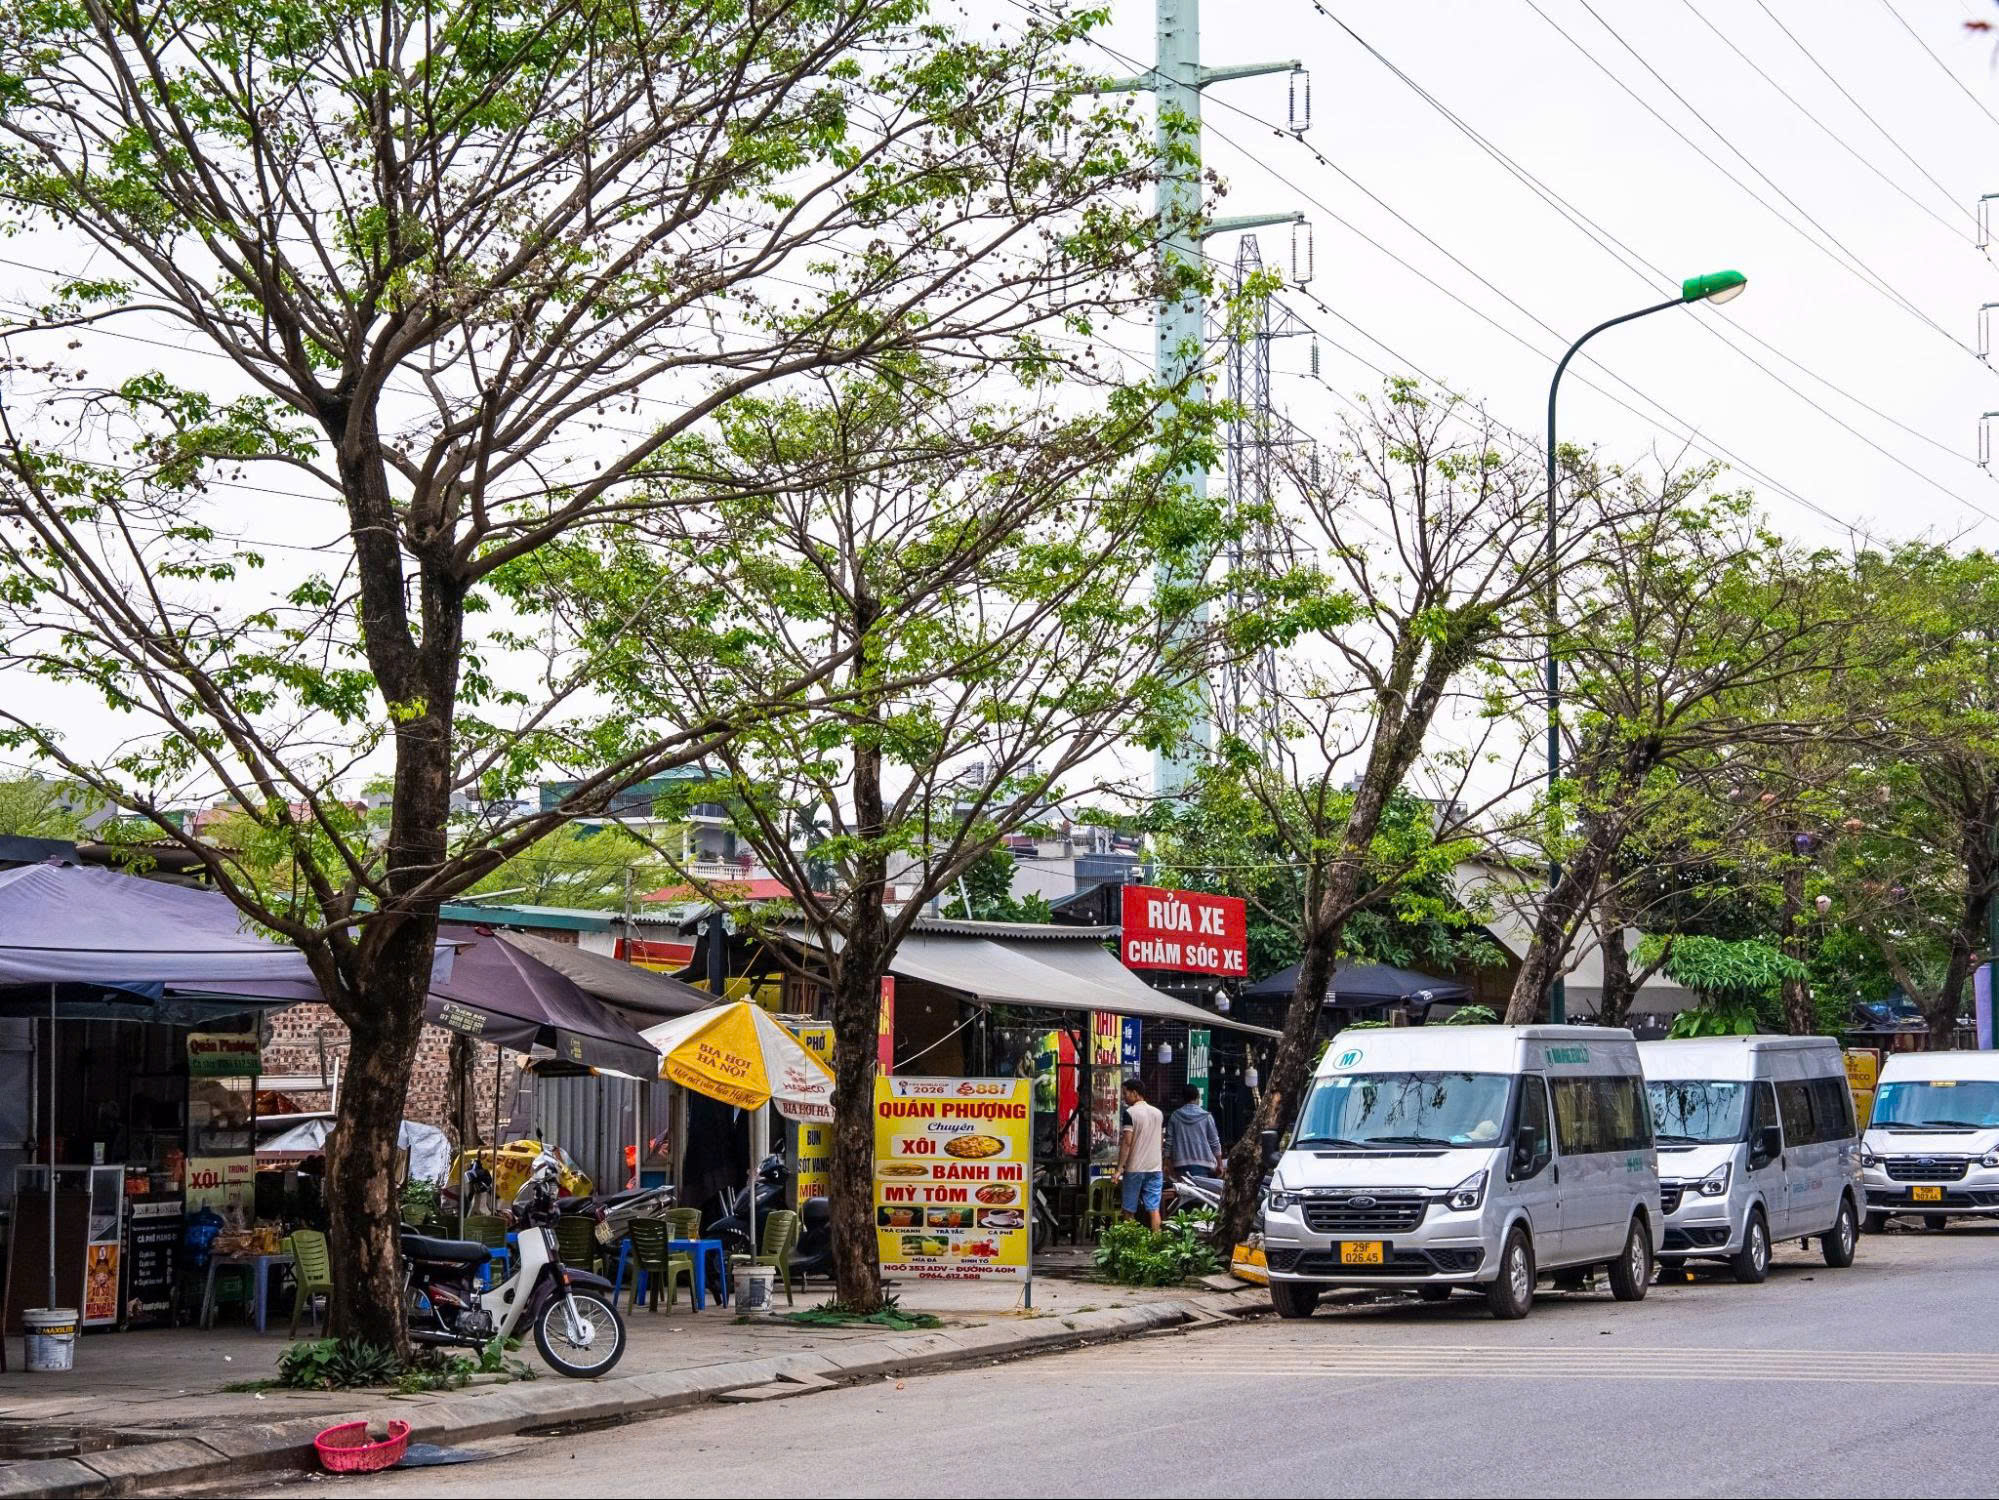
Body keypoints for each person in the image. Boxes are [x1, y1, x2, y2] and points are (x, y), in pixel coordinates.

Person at [1116, 1078, 1165, 1231]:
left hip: (1135, 1168)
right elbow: (1161, 1142)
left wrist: (1119, 1169)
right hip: (1155, 1168)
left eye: (1125, 1093)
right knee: (1154, 1209)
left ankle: (1130, 1244)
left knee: (1129, 1210)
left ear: (1135, 1093)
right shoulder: (1158, 1113)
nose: (1124, 1097)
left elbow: (1127, 1143)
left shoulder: (1130, 1113)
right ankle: (1157, 1242)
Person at [1165, 1084, 1225, 1178]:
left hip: (1180, 1164)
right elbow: (1214, 1142)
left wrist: (1166, 1162)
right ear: (1198, 1096)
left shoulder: (1175, 1116)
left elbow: (1169, 1142)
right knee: (1199, 1192)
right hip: (1202, 1164)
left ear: (1182, 1098)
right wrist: (1220, 1164)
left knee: (1182, 1191)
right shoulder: (1206, 1117)